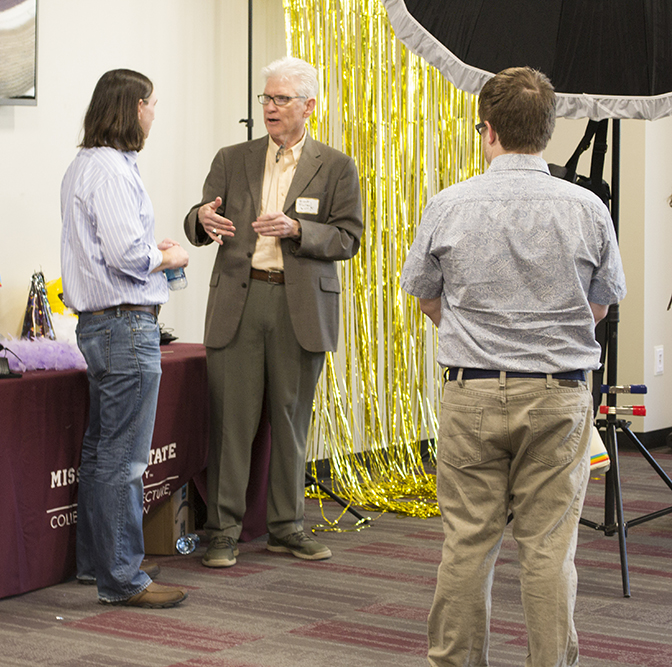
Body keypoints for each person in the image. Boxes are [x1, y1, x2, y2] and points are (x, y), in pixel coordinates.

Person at [400, 67, 626, 667]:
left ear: (488, 130)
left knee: (466, 545)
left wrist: (477, 337)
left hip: (471, 394)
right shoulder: (588, 208)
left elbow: (425, 294)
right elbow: (600, 303)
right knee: (550, 549)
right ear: (548, 132)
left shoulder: (448, 205)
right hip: (559, 397)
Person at [184, 57, 363, 568]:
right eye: (265, 98)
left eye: (281, 99)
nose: (269, 107)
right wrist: (202, 219)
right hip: (239, 301)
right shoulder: (231, 157)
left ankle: (287, 526)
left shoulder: (336, 166)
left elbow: (349, 237)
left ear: (309, 106)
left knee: (290, 420)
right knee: (231, 422)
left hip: (297, 303)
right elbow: (200, 219)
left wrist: (298, 231)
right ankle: (221, 531)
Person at [60, 68, 190, 608]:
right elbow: (129, 257)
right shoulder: (111, 171)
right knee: (123, 459)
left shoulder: (85, 165)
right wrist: (171, 256)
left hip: (101, 323)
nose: (156, 113)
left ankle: (103, 561)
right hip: (124, 325)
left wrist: (148, 253)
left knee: (99, 454)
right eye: (154, 104)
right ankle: (122, 577)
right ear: (135, 106)